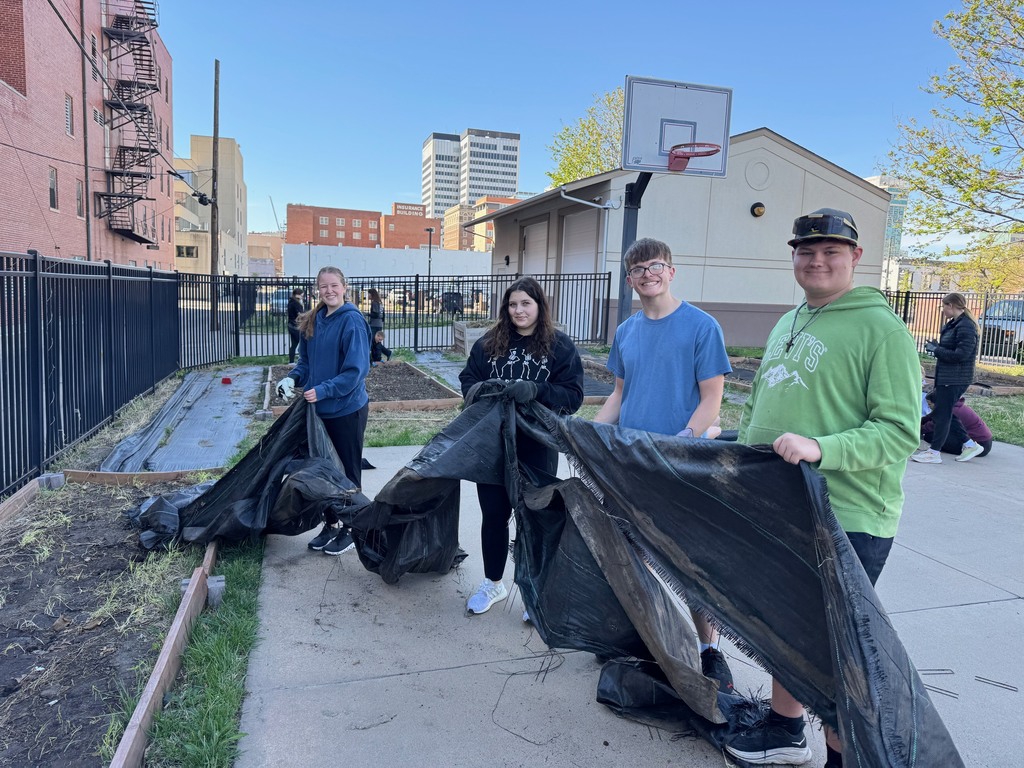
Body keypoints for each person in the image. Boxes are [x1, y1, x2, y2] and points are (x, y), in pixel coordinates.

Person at [728, 208, 920, 767]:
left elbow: (899, 432)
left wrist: (823, 448)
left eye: (831, 251)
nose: (816, 261)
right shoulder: (789, 322)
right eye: (806, 251)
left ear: (856, 257)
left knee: (837, 652)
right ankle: (786, 729)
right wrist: (738, 440)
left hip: (849, 517)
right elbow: (768, 402)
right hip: (781, 505)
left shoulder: (882, 330)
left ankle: (843, 757)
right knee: (787, 629)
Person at [592, 237, 736, 694]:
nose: (647, 273)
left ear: (671, 272)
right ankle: (645, 636)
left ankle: (709, 651)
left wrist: (683, 443)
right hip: (631, 466)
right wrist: (591, 437)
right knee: (633, 556)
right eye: (638, 269)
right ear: (630, 279)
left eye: (656, 265)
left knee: (690, 563)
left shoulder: (700, 326)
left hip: (680, 468)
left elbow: (713, 399)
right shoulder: (627, 331)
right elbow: (619, 395)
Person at [458, 277, 584, 615]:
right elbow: (467, 380)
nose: (518, 310)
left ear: (539, 306)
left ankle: (535, 589)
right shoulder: (489, 344)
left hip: (537, 446)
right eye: (513, 304)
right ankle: (493, 583)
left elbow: (573, 396)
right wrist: (483, 389)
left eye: (526, 303)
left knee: (536, 518)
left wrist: (537, 390)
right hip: (493, 444)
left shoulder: (559, 346)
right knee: (494, 516)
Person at [276, 267, 370, 556]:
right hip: (319, 411)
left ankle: (352, 528)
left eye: (334, 286)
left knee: (348, 471)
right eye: (323, 287)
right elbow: (306, 363)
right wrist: (292, 377)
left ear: (345, 287)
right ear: (317, 290)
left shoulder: (352, 322)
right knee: (323, 472)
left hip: (346, 409)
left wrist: (324, 390)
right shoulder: (314, 320)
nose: (328, 291)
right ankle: (331, 523)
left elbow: (355, 372)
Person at [911, 292, 980, 464]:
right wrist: (937, 345)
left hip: (955, 378)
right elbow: (952, 349)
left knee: (942, 414)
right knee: (943, 411)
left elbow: (961, 355)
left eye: (944, 306)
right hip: (949, 376)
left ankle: (934, 452)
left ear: (951, 305)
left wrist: (936, 350)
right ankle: (969, 444)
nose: (942, 310)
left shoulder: (966, 326)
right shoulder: (955, 324)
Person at [921, 392, 993, 459]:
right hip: (985, 441)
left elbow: (932, 426)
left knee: (930, 436)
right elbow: (930, 417)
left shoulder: (952, 411)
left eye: (930, 404)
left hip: (981, 444)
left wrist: (916, 428)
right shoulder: (952, 406)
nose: (928, 407)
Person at [286, 288, 304, 364]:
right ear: (298, 295)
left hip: (291, 325)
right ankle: (302, 360)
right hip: (296, 326)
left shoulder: (290, 302)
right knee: (302, 344)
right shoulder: (296, 303)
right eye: (302, 295)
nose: (302, 297)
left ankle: (291, 361)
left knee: (294, 344)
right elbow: (300, 314)